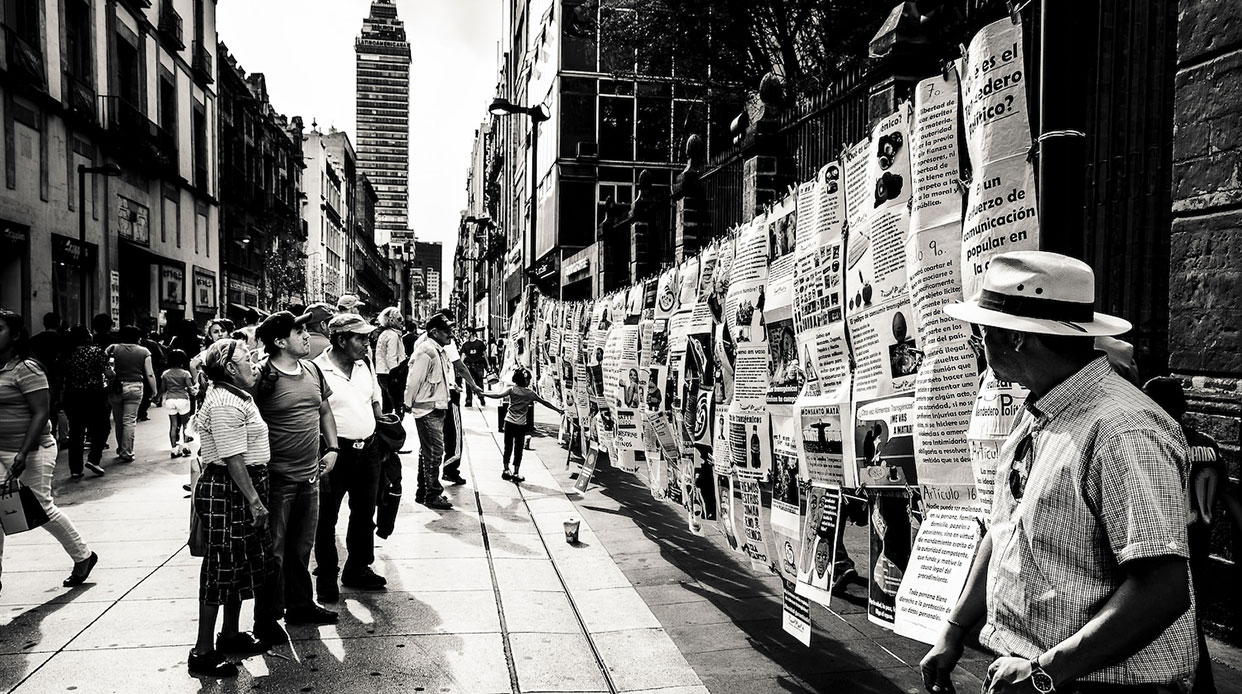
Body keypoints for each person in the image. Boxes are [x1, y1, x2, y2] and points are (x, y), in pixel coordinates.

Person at [923, 251, 1196, 694]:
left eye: (982, 332)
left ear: (1015, 338)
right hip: (1037, 672)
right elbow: (1004, 529)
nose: (980, 343)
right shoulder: (1041, 409)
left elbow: (1163, 588)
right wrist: (953, 632)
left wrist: (1045, 673)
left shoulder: (1121, 430)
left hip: (1093, 683)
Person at [251, 311, 341, 644]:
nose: (307, 336)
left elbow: (324, 410)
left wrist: (332, 448)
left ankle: (301, 605)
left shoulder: (313, 370)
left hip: (310, 476)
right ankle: (266, 618)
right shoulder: (263, 376)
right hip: (276, 480)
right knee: (273, 551)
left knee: (302, 547)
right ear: (279, 342)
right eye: (299, 331)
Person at [189, 338, 271, 678]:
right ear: (230, 369)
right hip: (229, 489)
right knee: (220, 568)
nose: (254, 364)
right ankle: (203, 650)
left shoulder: (238, 396)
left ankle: (231, 633)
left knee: (238, 565)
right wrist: (255, 501)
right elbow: (232, 458)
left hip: (241, 485)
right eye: (247, 359)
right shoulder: (224, 402)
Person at [0, 310, 97, 597]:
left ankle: (83, 556)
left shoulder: (27, 369)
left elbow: (41, 413)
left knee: (40, 509)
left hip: (33, 450)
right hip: (1, 449)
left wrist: (22, 453)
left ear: (15, 335)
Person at [1143, 376, 1224, 694]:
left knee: (1173, 622)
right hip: (1201, 543)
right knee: (1190, 617)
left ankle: (1191, 684)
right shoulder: (1209, 444)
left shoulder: (1159, 442)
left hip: (1172, 545)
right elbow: (1228, 494)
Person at [312, 313, 387, 599]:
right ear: (341, 339)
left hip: (368, 449)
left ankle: (358, 567)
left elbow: (373, 395)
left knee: (365, 512)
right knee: (326, 516)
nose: (366, 344)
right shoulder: (316, 369)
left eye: (367, 337)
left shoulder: (364, 364)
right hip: (333, 452)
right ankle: (327, 575)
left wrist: (380, 419)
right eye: (360, 338)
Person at [405, 313, 459, 509]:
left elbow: (438, 378)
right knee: (435, 451)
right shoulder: (426, 351)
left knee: (428, 452)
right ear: (434, 332)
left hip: (436, 407)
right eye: (446, 331)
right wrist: (407, 403)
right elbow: (413, 380)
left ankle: (423, 491)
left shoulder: (439, 351)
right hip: (427, 410)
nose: (450, 335)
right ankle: (432, 494)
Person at [484, 367, 562, 483]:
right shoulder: (530, 393)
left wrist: (483, 393)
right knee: (518, 449)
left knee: (508, 447)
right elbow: (544, 402)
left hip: (509, 422)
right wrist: (558, 410)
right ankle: (516, 472)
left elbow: (497, 395)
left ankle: (506, 470)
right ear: (526, 381)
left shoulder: (511, 390)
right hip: (521, 425)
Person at [59, 325, 110, 477]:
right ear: (86, 336)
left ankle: (75, 469)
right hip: (95, 395)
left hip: (72, 396)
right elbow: (108, 373)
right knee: (102, 428)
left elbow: (60, 378)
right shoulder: (95, 351)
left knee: (76, 432)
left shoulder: (66, 354)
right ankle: (94, 459)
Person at [106, 325, 158, 463]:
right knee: (129, 420)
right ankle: (127, 451)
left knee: (118, 421)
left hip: (115, 388)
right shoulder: (144, 351)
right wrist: (154, 390)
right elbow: (150, 373)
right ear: (138, 337)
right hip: (135, 387)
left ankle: (120, 448)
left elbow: (105, 367)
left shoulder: (112, 348)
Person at [161, 348, 195, 457]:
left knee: (173, 425)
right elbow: (190, 388)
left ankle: (174, 449)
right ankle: (185, 446)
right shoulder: (185, 373)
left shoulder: (165, 374)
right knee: (186, 424)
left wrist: (157, 397)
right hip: (183, 399)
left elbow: (162, 389)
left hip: (170, 400)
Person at [373, 307, 406, 413]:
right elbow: (391, 357)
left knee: (387, 405)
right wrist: (396, 376)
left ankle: (386, 426)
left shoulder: (385, 334)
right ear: (392, 320)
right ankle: (395, 425)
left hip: (382, 373)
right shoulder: (393, 335)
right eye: (399, 319)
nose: (402, 321)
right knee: (397, 405)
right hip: (390, 374)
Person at [460, 328, 487, 407]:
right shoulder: (465, 345)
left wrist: (487, 365)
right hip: (469, 366)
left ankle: (481, 397)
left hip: (479, 366)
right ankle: (469, 400)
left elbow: (484, 354)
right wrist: (460, 366)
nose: (465, 334)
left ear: (471, 333)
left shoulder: (480, 343)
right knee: (468, 383)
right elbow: (463, 356)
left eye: (466, 332)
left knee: (479, 383)